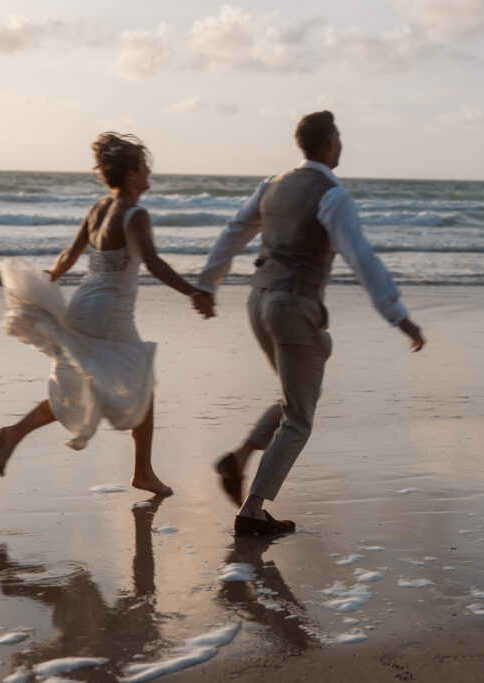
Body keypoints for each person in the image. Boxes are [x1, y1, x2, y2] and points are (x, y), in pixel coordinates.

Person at [196, 111, 425, 536]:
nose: (341, 145)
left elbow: (234, 231)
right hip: (294, 306)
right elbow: (361, 257)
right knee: (299, 417)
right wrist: (398, 316)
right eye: (339, 138)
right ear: (329, 145)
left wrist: (208, 283)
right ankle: (252, 510)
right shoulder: (333, 195)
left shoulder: (272, 184)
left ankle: (242, 457)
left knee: (291, 398)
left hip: (258, 301)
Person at [0, 132, 214, 496]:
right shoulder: (135, 214)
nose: (149, 170)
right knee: (139, 382)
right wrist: (194, 293)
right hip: (111, 311)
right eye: (144, 166)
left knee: (81, 382)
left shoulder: (98, 208)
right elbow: (152, 262)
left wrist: (48, 282)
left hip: (84, 303)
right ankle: (143, 473)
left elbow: (67, 257)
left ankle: (15, 431)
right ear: (130, 174)